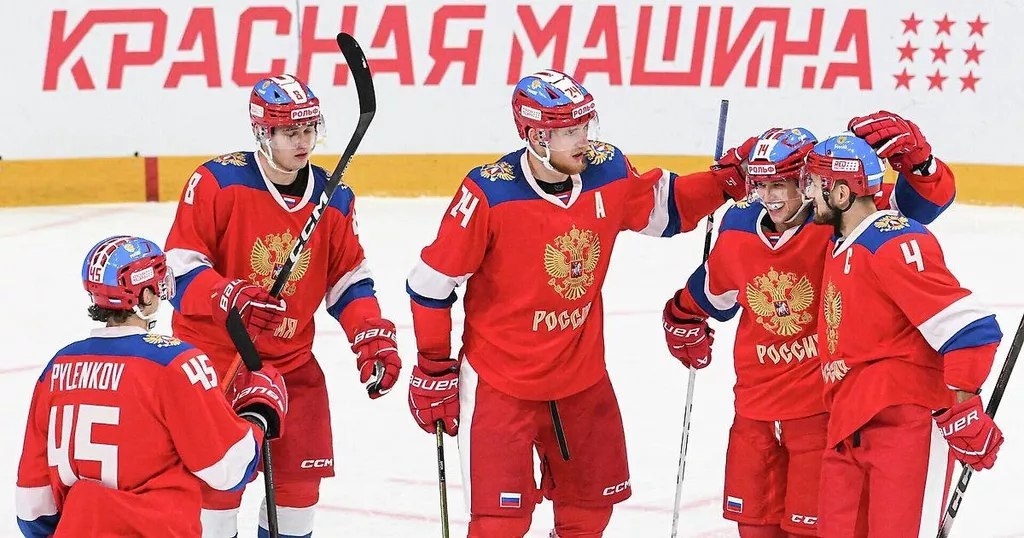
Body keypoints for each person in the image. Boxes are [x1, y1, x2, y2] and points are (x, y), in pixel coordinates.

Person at [404, 69, 750, 537]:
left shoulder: (607, 171)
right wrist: (433, 366)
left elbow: (667, 208)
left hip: (581, 380)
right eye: (569, 131)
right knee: (499, 526)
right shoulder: (488, 193)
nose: (583, 139)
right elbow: (432, 283)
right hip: (500, 383)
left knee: (589, 513)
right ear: (535, 136)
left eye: (586, 125)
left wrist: (725, 182)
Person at [661, 112, 957, 537]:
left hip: (820, 414)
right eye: (760, 185)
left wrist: (921, 165)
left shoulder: (841, 220)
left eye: (780, 184)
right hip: (754, 411)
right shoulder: (739, 223)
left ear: (810, 180)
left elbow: (922, 206)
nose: (768, 197)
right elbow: (715, 286)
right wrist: (681, 315)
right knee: (754, 528)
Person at [164, 74, 401, 537]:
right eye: (290, 132)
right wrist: (227, 296)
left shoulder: (334, 197)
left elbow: (349, 281)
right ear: (262, 132)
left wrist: (369, 333)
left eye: (309, 129)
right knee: (215, 495)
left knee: (297, 494)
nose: (303, 141)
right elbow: (177, 269)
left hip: (291, 365)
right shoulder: (216, 182)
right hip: (217, 364)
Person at [16, 235, 288, 537]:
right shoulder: (176, 362)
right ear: (144, 295)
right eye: (158, 280)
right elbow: (228, 469)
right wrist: (259, 411)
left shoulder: (57, 369)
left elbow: (32, 508)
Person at [804, 133, 1003, 536]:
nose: (807, 193)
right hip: (848, 426)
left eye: (815, 183)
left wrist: (964, 410)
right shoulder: (843, 242)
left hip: (906, 429)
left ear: (841, 193)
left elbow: (969, 327)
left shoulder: (892, 242)